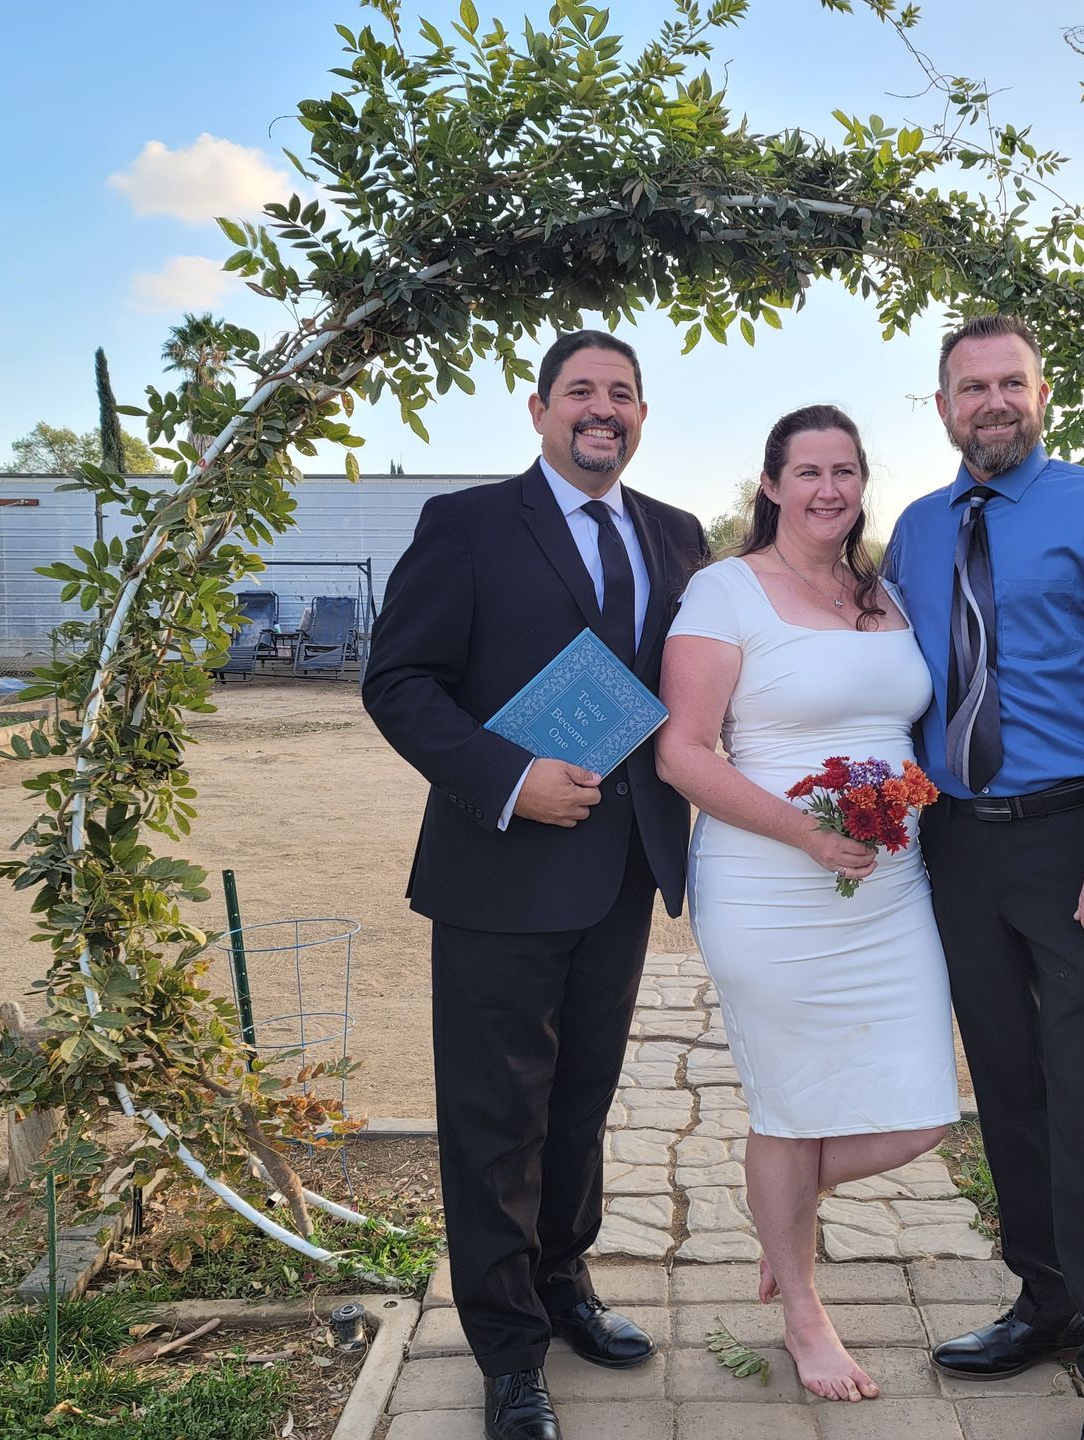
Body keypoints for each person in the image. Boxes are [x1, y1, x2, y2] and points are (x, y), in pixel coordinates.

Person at [362, 331, 707, 1440]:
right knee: (492, 1115)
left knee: (581, 1103)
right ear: (538, 409)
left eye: (621, 395)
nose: (600, 411)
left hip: (621, 869)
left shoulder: (677, 535)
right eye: (580, 394)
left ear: (642, 416)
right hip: (499, 867)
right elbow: (399, 680)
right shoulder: (464, 527)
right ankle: (506, 1349)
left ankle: (564, 1285)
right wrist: (509, 780)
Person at [885, 314, 1084, 1440]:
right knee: (1010, 1090)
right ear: (942, 408)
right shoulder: (915, 534)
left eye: (1010, 382)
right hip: (960, 846)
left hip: (1078, 843)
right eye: (971, 387)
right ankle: (1046, 1300)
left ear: (1042, 393)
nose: (992, 403)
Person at [655, 404, 961, 1403]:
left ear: (862, 483)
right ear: (772, 486)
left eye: (845, 470)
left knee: (922, 1112)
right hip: (770, 885)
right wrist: (805, 829)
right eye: (807, 471)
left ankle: (782, 1211)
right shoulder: (725, 592)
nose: (828, 487)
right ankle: (802, 1309)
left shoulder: (887, 596)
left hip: (889, 888)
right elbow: (683, 754)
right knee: (789, 1102)